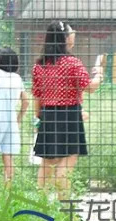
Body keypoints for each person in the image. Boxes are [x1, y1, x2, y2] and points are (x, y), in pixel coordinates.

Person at [31, 20, 104, 197]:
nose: (74, 35)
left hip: (47, 114)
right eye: (71, 32)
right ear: (65, 38)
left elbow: (37, 96)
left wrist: (39, 119)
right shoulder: (72, 63)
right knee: (66, 161)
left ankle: (40, 206)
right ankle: (63, 207)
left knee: (46, 163)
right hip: (70, 114)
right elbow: (90, 87)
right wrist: (99, 75)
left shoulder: (39, 65)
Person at [0, 46, 28, 185]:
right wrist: (18, 118)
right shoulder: (17, 78)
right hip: (11, 121)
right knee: (8, 157)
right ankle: (8, 190)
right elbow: (26, 101)